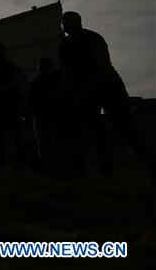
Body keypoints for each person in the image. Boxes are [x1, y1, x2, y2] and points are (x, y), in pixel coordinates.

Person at [58, 11, 155, 181]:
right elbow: (67, 74)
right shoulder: (64, 46)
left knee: (124, 128)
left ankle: (151, 164)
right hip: (87, 91)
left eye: (65, 21)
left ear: (77, 22)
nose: (63, 24)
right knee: (96, 131)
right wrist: (61, 93)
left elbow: (104, 69)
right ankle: (106, 171)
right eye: (62, 21)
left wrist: (85, 89)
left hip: (109, 88)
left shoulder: (94, 38)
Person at [0, 43, 25, 172]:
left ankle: (19, 163)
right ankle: (2, 164)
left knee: (15, 137)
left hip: (9, 105)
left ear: (3, 51)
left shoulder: (11, 67)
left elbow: (15, 84)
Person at [26, 57, 61, 173]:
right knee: (51, 141)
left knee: (44, 141)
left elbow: (30, 102)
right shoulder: (55, 82)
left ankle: (47, 165)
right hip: (48, 114)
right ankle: (53, 165)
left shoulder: (35, 83)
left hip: (42, 115)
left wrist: (29, 114)